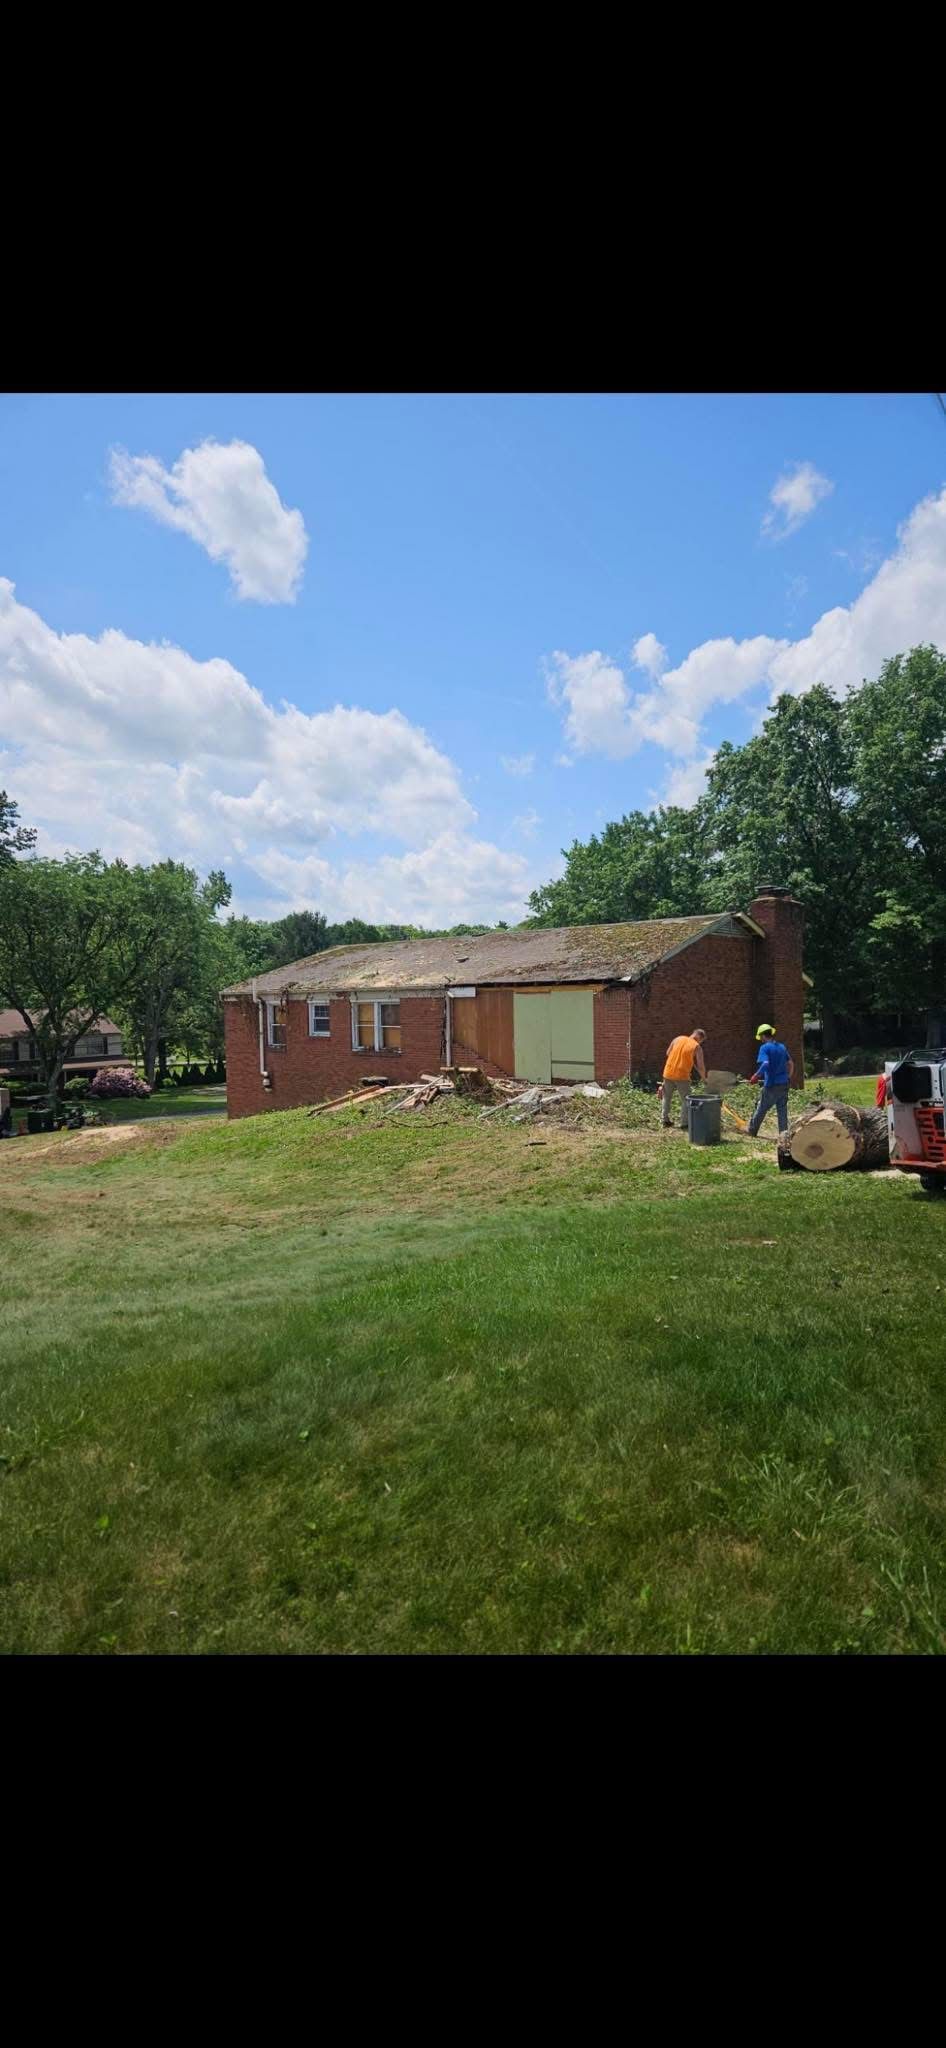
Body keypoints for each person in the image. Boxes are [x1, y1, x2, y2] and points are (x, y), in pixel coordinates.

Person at [748, 1024, 794, 1135]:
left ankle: (752, 1131)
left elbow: (765, 1064)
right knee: (782, 1111)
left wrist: (756, 1076)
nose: (761, 1040)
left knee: (762, 1108)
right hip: (784, 1084)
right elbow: (791, 1063)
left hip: (771, 1085)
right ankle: (783, 1135)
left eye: (761, 1037)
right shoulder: (781, 1047)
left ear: (763, 1035)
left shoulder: (764, 1048)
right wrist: (788, 1077)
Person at [660, 1028, 706, 1129]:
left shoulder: (677, 1039)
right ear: (700, 1038)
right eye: (701, 1041)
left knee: (666, 1097)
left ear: (693, 1034)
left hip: (668, 1073)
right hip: (682, 1076)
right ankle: (684, 1123)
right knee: (686, 1099)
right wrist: (704, 1078)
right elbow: (701, 1066)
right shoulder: (697, 1047)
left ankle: (664, 1120)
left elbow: (668, 1053)